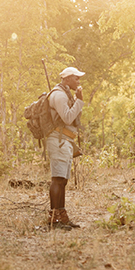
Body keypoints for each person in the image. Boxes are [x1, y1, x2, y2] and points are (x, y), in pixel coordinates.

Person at [46, 66, 85, 230]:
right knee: (57, 179)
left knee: (62, 180)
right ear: (67, 78)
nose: (78, 81)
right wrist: (80, 101)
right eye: (76, 78)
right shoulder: (59, 95)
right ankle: (54, 219)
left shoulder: (65, 94)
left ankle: (61, 216)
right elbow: (68, 117)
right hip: (59, 140)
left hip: (65, 141)